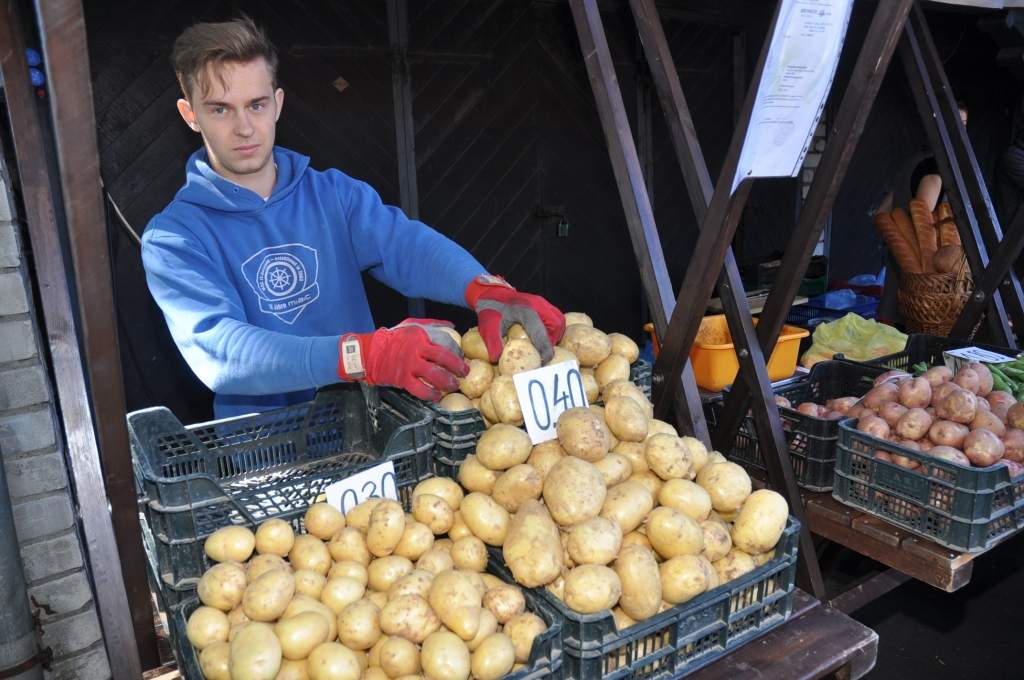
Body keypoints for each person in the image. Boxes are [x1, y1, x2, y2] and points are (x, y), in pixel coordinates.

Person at [141, 17, 564, 418]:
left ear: (278, 104)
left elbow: (403, 244)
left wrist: (482, 289)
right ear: (190, 114)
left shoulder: (332, 193)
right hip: (264, 454)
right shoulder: (175, 238)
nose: (244, 127)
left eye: (256, 105)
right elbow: (221, 352)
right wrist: (365, 355)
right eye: (220, 109)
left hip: (367, 429)